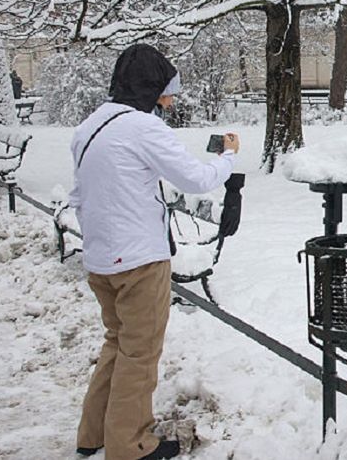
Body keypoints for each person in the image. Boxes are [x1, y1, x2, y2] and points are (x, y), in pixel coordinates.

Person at [70, 44, 239, 460]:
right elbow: (197, 179)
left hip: (101, 259)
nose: (171, 98)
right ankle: (130, 446)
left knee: (117, 343)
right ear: (149, 87)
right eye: (166, 89)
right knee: (139, 355)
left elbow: (80, 193)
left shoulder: (89, 127)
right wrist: (228, 157)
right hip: (140, 261)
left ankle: (94, 434)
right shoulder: (143, 128)